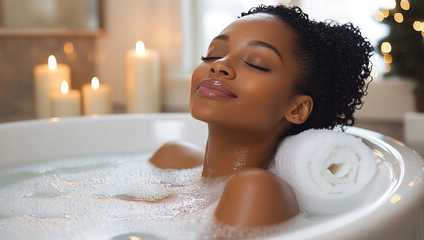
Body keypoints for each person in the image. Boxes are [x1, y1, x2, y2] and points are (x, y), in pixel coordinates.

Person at [150, 4, 373, 227]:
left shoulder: (256, 189)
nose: (219, 65)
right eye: (212, 55)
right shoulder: (172, 159)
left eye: (256, 64)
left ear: (297, 109)